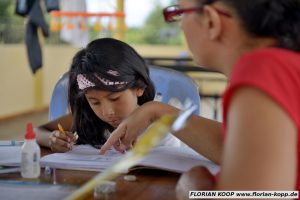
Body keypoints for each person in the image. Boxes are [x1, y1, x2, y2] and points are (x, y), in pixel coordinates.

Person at [100, 0, 300, 197]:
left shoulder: (263, 69)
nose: (181, 25)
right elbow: (238, 150)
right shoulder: (285, 65)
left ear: (211, 21)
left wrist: (194, 188)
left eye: (180, 13)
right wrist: (157, 111)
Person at [35, 38, 181, 153]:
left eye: (115, 98)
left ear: (139, 88)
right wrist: (52, 139)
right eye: (95, 102)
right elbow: (36, 132)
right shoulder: (87, 118)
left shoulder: (162, 126)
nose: (107, 112)